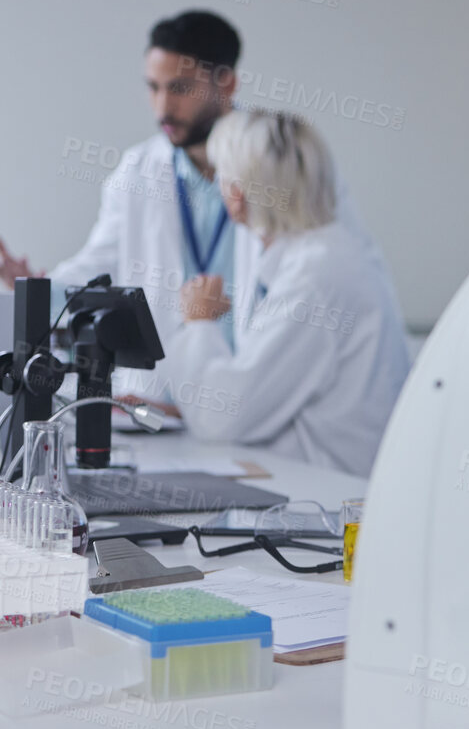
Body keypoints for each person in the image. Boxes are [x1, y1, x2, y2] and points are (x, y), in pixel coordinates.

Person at [0, 10, 379, 406]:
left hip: (256, 399)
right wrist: (38, 291)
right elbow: (97, 267)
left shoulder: (285, 162)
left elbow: (335, 266)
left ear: (227, 83)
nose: (162, 108)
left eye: (180, 88)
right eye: (153, 88)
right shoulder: (138, 172)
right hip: (162, 402)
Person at [168, 110, 409, 475]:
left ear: (236, 197)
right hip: (319, 485)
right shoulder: (324, 258)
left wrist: (199, 322)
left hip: (325, 501)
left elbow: (222, 418)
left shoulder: (315, 277)